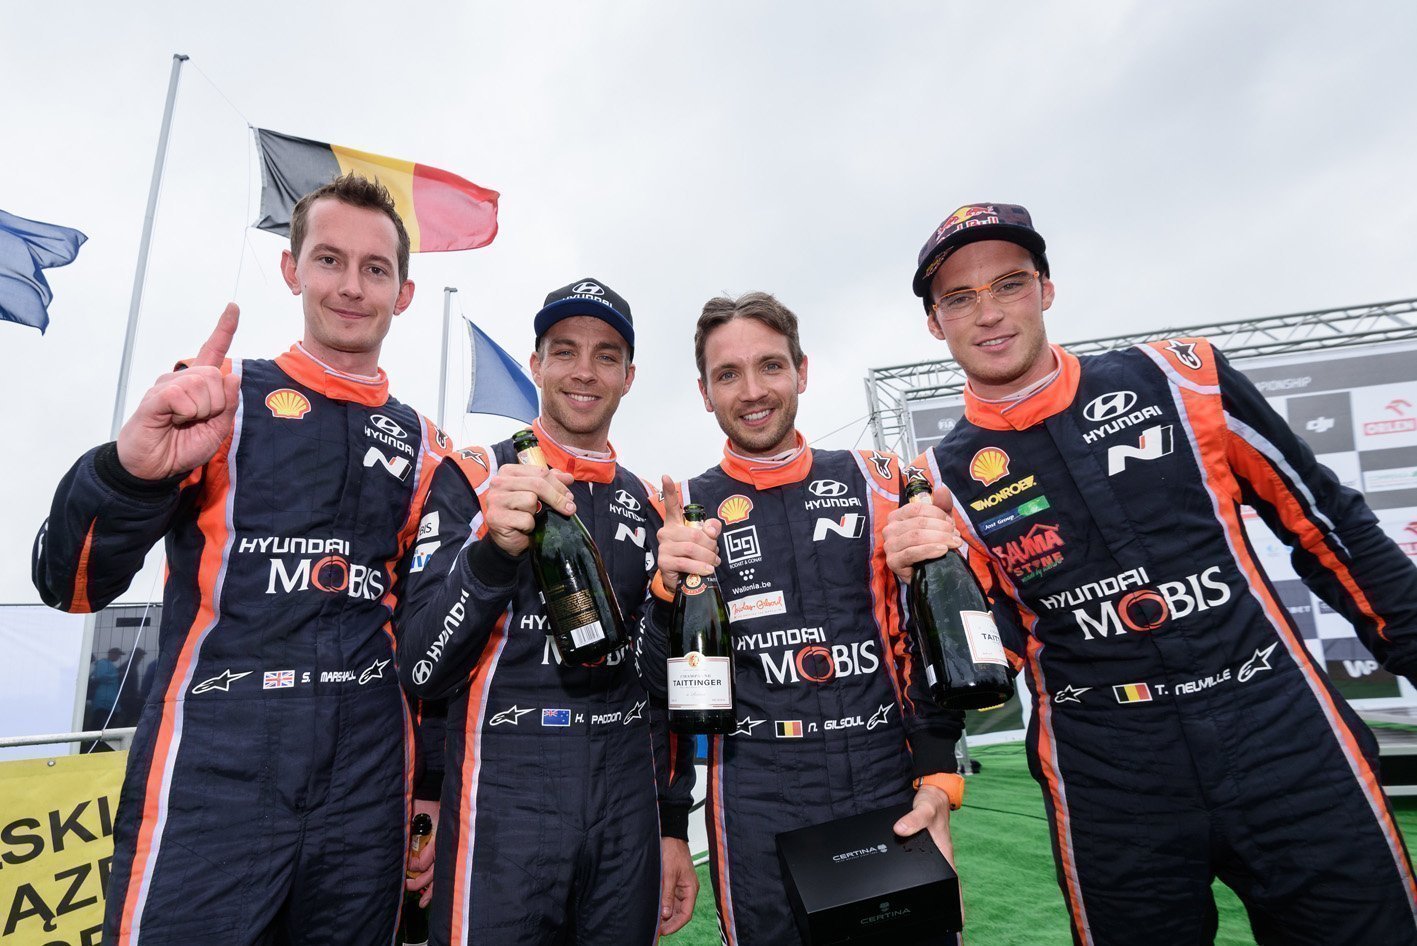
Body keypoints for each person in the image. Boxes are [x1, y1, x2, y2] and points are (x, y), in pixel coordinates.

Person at [890, 202, 1417, 945]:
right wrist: (923, 593)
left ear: (1045, 288)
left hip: (1278, 727)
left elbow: (1330, 530)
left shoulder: (1179, 378)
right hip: (1109, 768)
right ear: (934, 323)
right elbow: (983, 654)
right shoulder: (938, 480)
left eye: (1009, 283)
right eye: (959, 297)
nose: (989, 313)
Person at [33, 173, 446, 944]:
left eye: (375, 268)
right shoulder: (218, 399)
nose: (351, 286)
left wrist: (428, 789)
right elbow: (72, 583)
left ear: (404, 293)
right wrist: (128, 472)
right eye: (329, 260)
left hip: (365, 793)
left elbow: (432, 644)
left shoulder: (428, 446)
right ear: (291, 270)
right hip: (212, 775)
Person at [645, 291, 966, 946]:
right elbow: (658, 693)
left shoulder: (880, 482)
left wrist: (938, 776)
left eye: (770, 365)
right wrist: (663, 596)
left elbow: (924, 640)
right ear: (704, 393)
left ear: (802, 371)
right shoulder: (683, 511)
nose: (752, 391)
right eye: (727, 374)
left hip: (881, 777)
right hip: (755, 791)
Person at [396, 277, 697, 945]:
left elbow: (665, 695)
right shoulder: (473, 476)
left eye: (606, 356)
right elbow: (421, 669)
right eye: (564, 351)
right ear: (535, 365)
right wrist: (491, 553)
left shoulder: (653, 506)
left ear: (628, 377)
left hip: (625, 806)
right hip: (504, 798)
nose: (584, 371)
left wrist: (673, 823)